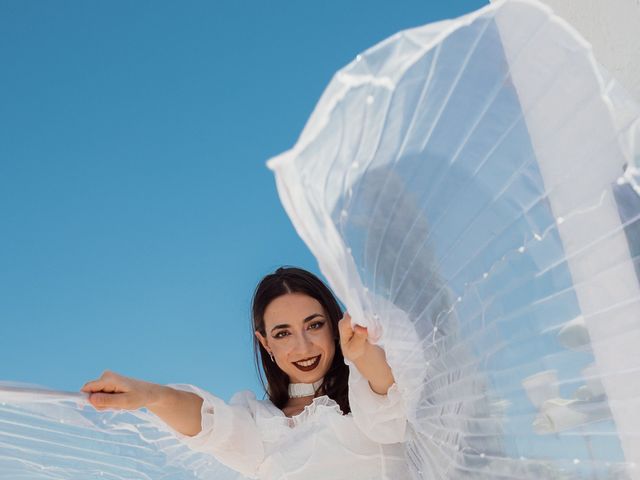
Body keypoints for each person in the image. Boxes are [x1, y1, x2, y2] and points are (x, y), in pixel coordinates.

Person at [81, 267, 411, 479]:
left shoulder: (368, 384)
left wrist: (364, 354)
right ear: (265, 343)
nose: (304, 345)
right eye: (283, 333)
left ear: (334, 325)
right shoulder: (261, 423)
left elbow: (391, 412)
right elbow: (212, 425)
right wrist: (148, 395)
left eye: (314, 325)